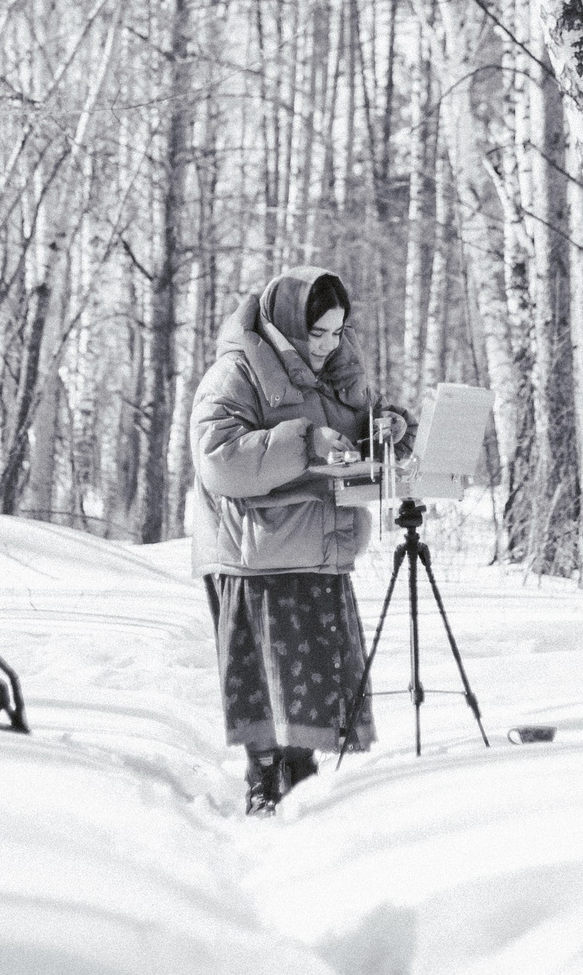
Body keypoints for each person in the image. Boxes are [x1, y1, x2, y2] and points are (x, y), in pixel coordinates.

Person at [187, 265, 410, 814]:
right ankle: (264, 780)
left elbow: (354, 431)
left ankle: (303, 783)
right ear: (288, 324)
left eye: (338, 331)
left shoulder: (339, 367)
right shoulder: (236, 372)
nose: (330, 344)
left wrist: (388, 428)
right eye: (318, 333)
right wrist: (306, 441)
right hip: (256, 554)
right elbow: (219, 461)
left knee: (311, 686)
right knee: (268, 683)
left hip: (321, 545)